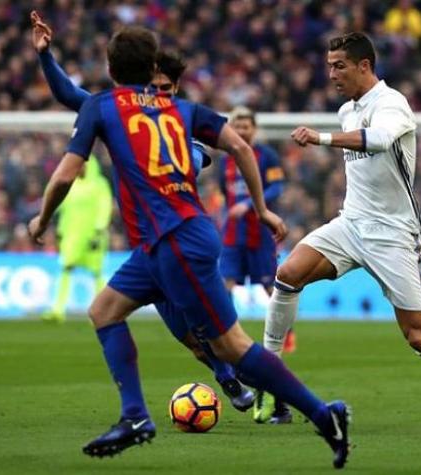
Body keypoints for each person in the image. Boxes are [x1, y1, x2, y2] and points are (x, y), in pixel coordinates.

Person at [27, 26, 350, 468]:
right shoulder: (181, 109)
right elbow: (239, 146)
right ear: (152, 69)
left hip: (175, 239)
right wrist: (261, 208)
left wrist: (42, 219)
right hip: (161, 244)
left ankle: (322, 415)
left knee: (233, 346)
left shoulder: (103, 106)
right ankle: (136, 417)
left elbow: (65, 172)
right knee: (104, 311)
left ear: (110, 69)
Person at [263, 32, 421, 436]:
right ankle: (269, 379)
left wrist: (321, 138)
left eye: (339, 65)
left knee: (418, 336)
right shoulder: (347, 110)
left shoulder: (393, 104)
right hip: (351, 223)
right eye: (328, 66)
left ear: (364, 66)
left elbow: (378, 140)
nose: (331, 74)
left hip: (394, 235)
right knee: (288, 274)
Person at [30, 11, 253, 412]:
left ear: (176, 87)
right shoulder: (120, 109)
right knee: (187, 335)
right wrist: (46, 56)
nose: (158, 92)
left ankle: (260, 385)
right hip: (150, 242)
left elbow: (205, 157)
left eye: (166, 87)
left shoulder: (183, 124)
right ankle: (228, 379)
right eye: (154, 85)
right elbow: (69, 96)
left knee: (217, 333)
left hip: (183, 237)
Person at [217, 106, 294, 424]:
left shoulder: (268, 157)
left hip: (261, 236)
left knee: (272, 287)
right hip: (233, 237)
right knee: (223, 289)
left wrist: (250, 205)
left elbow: (277, 187)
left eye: (247, 125)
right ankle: (226, 334)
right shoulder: (226, 161)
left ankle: (284, 336)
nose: (243, 129)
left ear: (255, 128)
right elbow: (225, 193)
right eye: (237, 124)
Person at [42, 156, 112, 322]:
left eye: (82, 165)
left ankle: (101, 312)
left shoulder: (99, 184)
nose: (79, 168)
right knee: (66, 269)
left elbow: (105, 206)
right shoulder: (70, 185)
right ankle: (58, 311)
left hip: (92, 237)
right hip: (71, 237)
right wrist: (59, 231)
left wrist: (99, 230)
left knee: (96, 273)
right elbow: (63, 209)